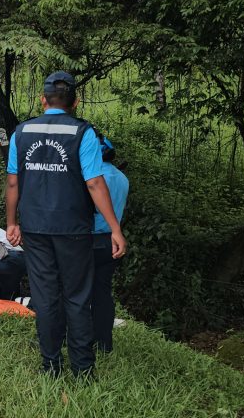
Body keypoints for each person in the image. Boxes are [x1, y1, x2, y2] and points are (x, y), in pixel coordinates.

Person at [5, 71, 127, 378]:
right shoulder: (82, 133)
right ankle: (83, 370)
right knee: (77, 297)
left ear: (43, 100)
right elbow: (96, 184)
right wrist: (114, 228)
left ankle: (50, 365)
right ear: (75, 101)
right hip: (73, 230)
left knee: (45, 298)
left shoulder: (21, 132)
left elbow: (11, 182)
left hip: (34, 228)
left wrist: (11, 222)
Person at [91, 134, 129, 353]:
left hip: (86, 239)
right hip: (111, 242)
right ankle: (104, 343)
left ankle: (72, 338)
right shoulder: (122, 178)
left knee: (73, 290)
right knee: (102, 292)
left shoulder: (92, 177)